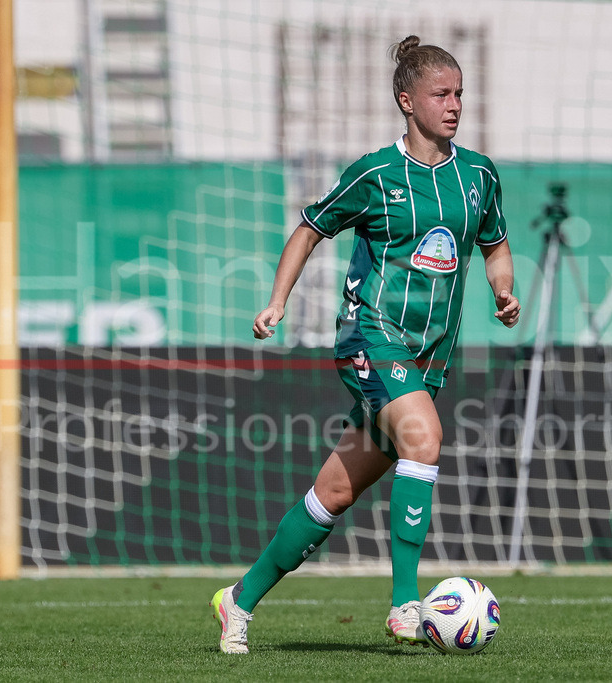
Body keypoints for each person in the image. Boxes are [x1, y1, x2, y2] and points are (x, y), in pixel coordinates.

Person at [210, 34, 520, 654]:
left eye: (460, 93)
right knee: (423, 436)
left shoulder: (479, 175)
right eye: (441, 94)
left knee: (334, 494)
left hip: (429, 357)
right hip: (370, 335)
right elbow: (309, 229)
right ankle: (405, 603)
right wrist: (278, 301)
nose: (454, 105)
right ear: (407, 100)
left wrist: (503, 289)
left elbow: (495, 245)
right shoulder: (375, 173)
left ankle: (236, 601)